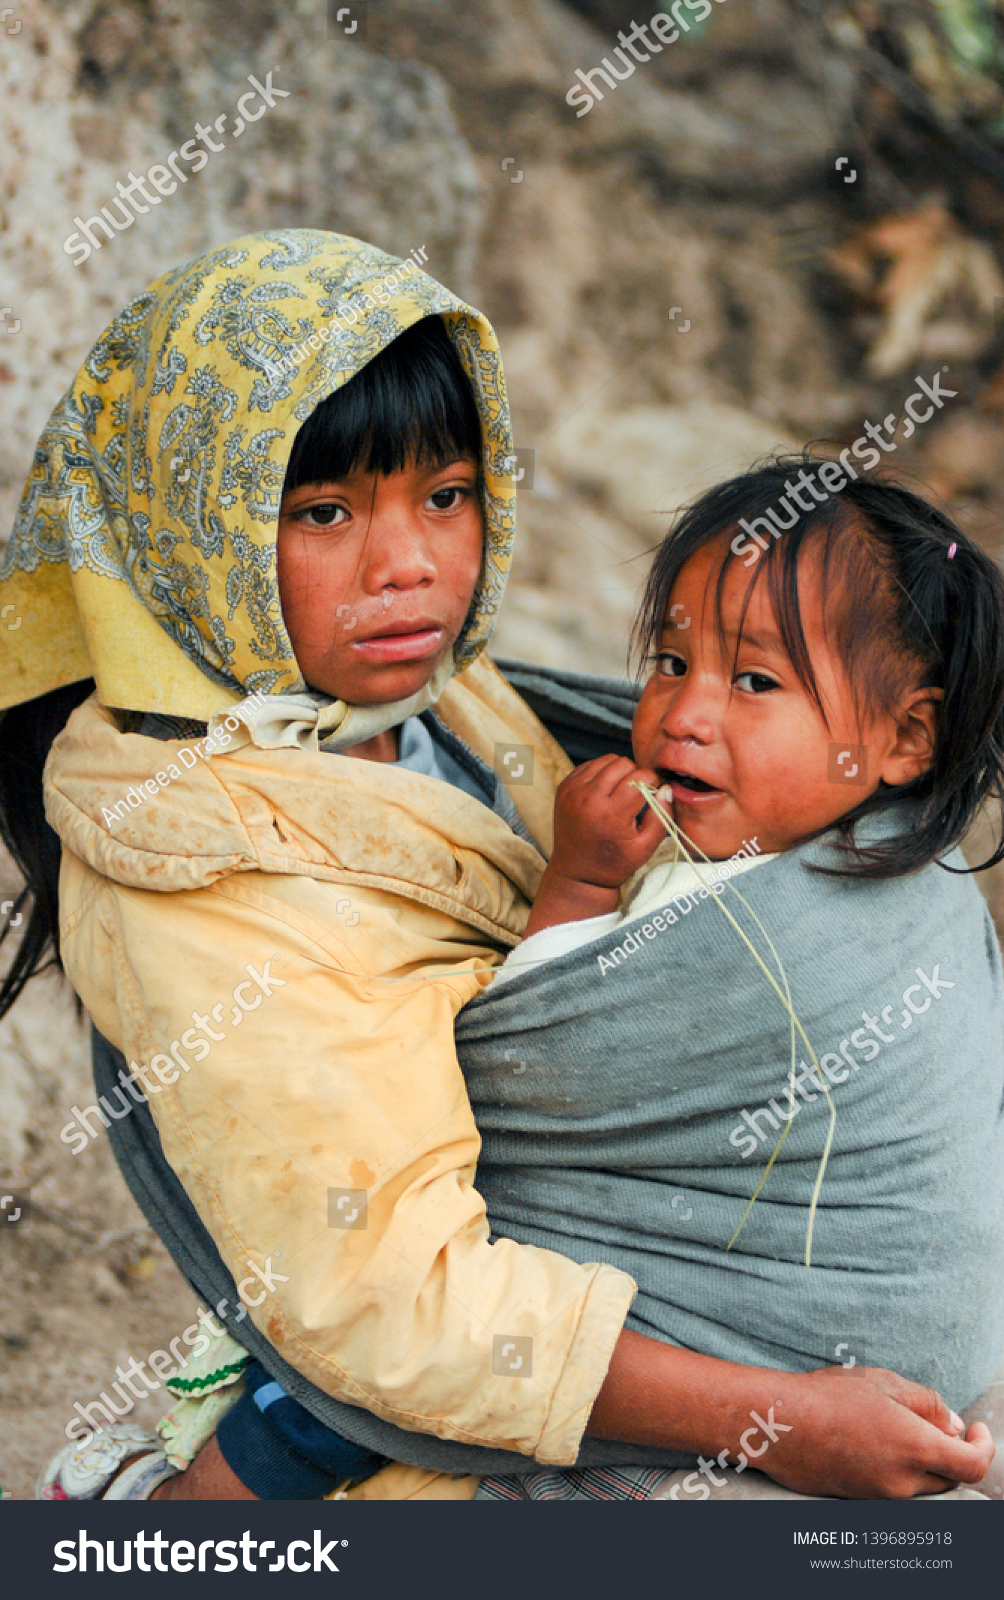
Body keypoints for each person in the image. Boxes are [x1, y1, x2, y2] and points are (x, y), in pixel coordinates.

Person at [0, 232, 991, 1502]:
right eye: (322, 512)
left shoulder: (439, 704)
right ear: (191, 533)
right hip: (472, 1412)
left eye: (447, 494)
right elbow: (390, 1313)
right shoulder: (201, 879)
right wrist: (785, 1416)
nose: (407, 563)